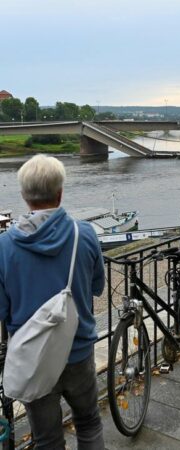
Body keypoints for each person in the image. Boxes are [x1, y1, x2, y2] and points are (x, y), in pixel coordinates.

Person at [0, 154, 105, 449]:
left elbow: (2, 309)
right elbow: (97, 286)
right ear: (60, 193)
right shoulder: (84, 234)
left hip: (33, 357)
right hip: (78, 350)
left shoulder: (4, 247)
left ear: (24, 195)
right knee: (89, 423)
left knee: (47, 438)